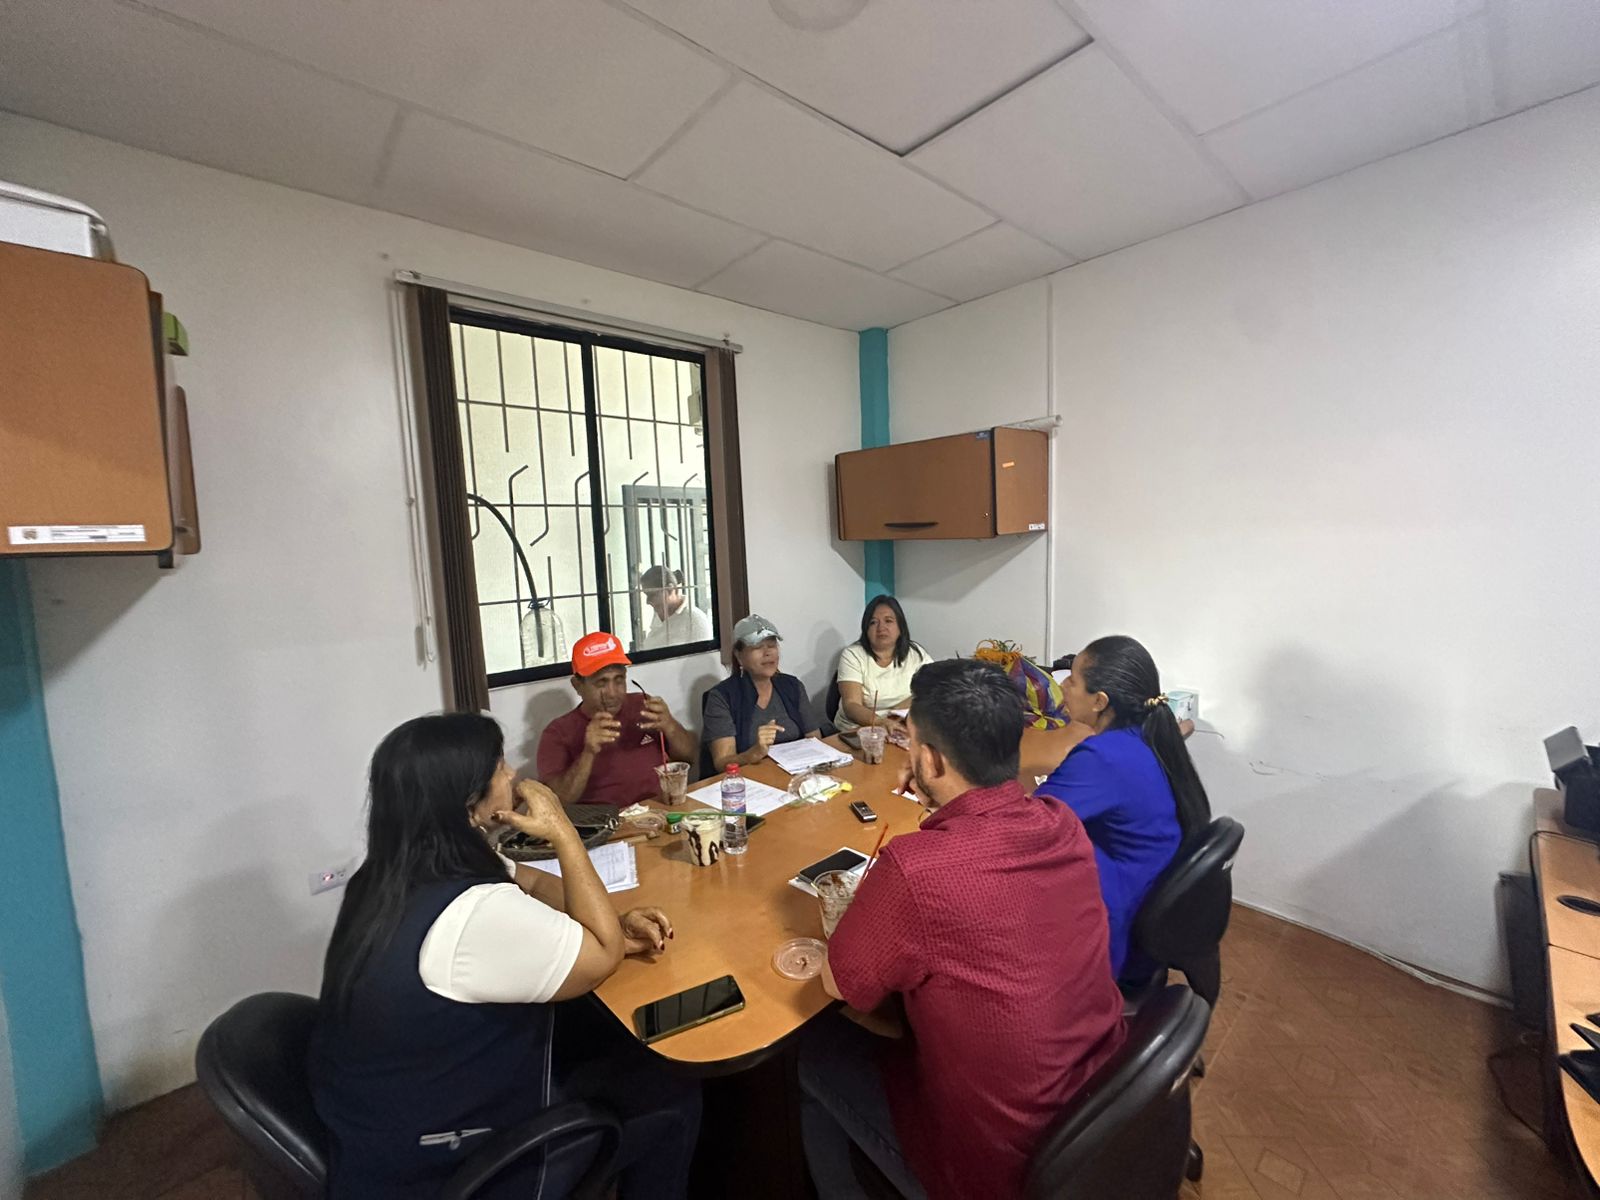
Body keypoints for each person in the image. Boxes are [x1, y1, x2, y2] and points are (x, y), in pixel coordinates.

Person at [308, 712, 700, 1199]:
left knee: (607, 1031)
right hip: (446, 1160)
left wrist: (611, 921)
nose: (513, 774)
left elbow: (528, 879)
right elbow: (601, 957)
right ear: (467, 800)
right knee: (672, 1091)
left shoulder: (391, 869)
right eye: (498, 766)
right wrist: (562, 832)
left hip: (379, 1111)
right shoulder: (474, 914)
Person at [802, 659, 1126, 1200]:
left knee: (813, 1055)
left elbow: (839, 983)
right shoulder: (1061, 822)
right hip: (1097, 1112)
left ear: (929, 759)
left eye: (911, 742)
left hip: (995, 1165)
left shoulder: (914, 869)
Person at [1035, 635, 1212, 983]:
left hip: (1118, 930)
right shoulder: (1150, 730)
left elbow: (1028, 827)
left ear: (1100, 701)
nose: (1063, 686)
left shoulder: (1104, 756)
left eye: (1072, 680)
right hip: (1148, 905)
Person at [538, 631, 697, 808]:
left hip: (659, 810)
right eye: (601, 682)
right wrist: (588, 752)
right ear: (577, 685)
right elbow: (558, 802)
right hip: (603, 821)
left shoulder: (643, 705)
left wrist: (670, 726)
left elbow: (689, 758)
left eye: (619, 680)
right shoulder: (558, 732)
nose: (612, 693)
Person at [702, 614, 822, 771]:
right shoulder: (722, 697)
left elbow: (814, 738)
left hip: (797, 772)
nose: (767, 653)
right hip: (750, 778)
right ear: (739, 656)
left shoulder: (793, 686)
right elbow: (721, 763)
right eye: (757, 647)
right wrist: (753, 753)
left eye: (772, 645)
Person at [833, 594, 930, 733]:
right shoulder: (853, 655)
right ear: (866, 629)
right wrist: (881, 722)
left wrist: (897, 711)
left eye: (888, 621)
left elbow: (933, 689)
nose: (881, 628)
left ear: (900, 627)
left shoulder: (916, 653)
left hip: (902, 724)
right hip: (858, 730)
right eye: (873, 622)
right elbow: (851, 704)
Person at [636, 565, 713, 652]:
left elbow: (704, 657)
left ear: (670, 589)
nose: (648, 601)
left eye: (652, 595)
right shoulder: (660, 612)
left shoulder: (695, 620)